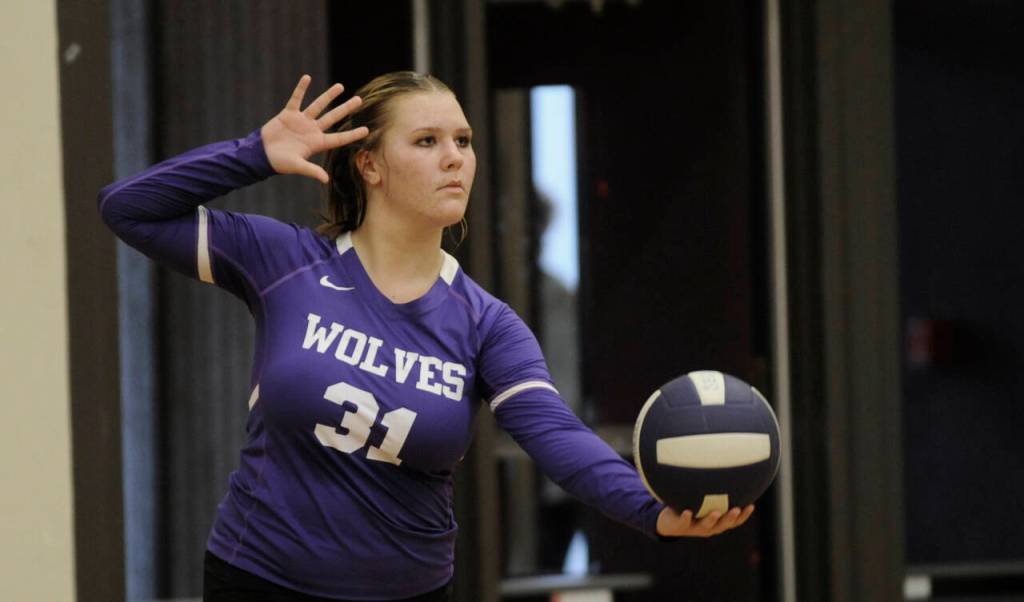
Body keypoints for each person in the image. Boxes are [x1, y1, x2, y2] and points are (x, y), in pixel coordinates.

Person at [98, 72, 755, 602]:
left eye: (463, 140)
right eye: (427, 141)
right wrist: (254, 153)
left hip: (407, 592)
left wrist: (651, 512)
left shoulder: (486, 323)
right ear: (370, 165)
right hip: (260, 579)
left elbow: (556, 437)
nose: (455, 158)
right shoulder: (286, 262)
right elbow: (127, 209)